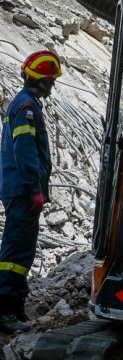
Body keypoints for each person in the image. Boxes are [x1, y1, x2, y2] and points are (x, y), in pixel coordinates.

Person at [0, 51, 61, 333]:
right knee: (15, 252)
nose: (53, 85)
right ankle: (5, 311)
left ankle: (14, 306)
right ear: (44, 80)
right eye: (52, 80)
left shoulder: (25, 103)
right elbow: (25, 152)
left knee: (21, 252)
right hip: (23, 191)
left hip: (19, 189)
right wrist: (34, 189)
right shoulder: (26, 106)